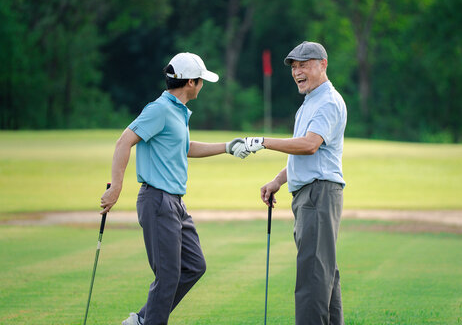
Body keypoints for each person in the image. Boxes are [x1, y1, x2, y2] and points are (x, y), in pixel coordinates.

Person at [100, 52, 249, 325]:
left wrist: (227, 147)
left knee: (194, 266)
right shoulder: (159, 109)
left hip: (175, 203)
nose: (203, 85)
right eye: (201, 80)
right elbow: (124, 141)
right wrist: (116, 186)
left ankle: (142, 319)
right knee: (168, 275)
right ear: (190, 82)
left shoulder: (178, 112)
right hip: (157, 200)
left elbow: (186, 148)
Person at [243, 41, 347, 325]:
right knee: (324, 275)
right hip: (312, 194)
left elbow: (310, 145)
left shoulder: (327, 101)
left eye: (304, 65)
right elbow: (304, 152)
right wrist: (278, 179)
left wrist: (263, 142)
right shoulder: (311, 102)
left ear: (323, 64)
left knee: (313, 277)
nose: (297, 72)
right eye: (294, 66)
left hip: (319, 194)